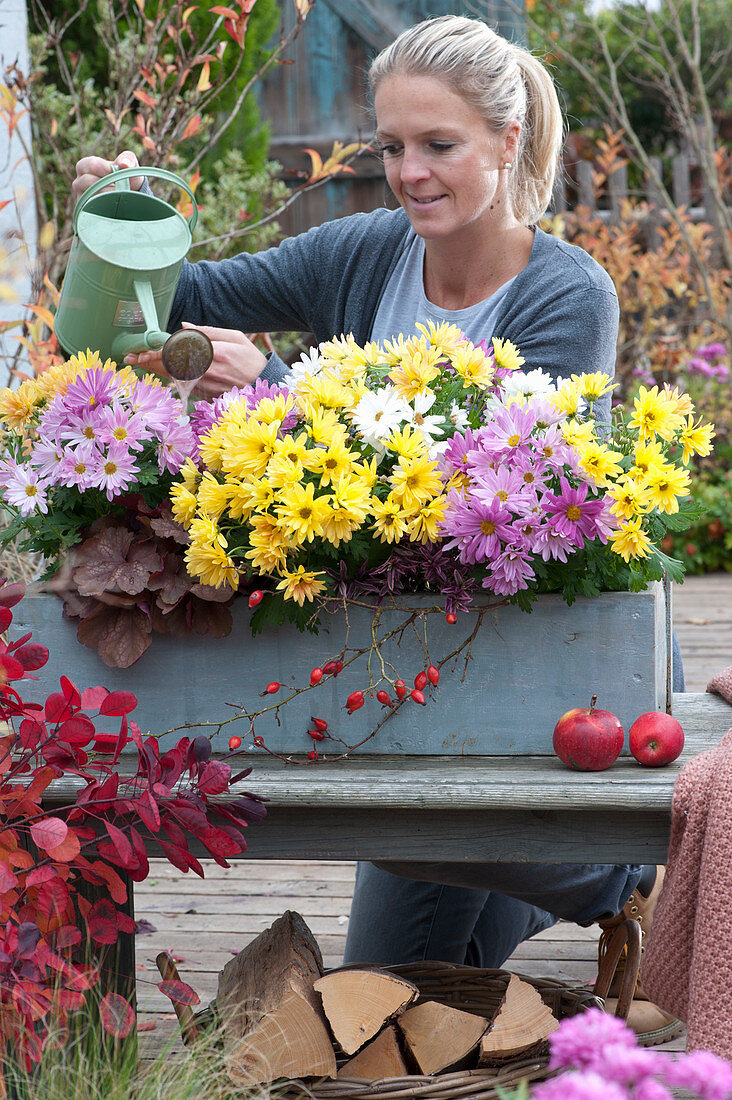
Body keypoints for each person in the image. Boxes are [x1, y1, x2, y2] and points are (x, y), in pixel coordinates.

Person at [72, 14, 682, 1042]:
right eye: (392, 146)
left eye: (437, 145)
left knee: (422, 845)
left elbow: (503, 515)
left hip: (524, 675)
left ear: (506, 139)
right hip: (391, 663)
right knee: (389, 1007)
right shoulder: (366, 253)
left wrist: (277, 395)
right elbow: (178, 295)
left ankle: (624, 869)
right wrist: (119, 217)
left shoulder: (568, 294)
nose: (409, 171)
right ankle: (550, 882)